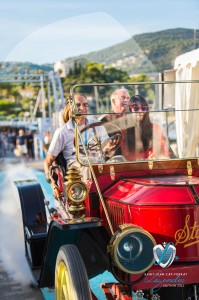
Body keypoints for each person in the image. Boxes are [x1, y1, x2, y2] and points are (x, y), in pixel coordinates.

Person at [44, 93, 109, 182]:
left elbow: (108, 151)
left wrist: (109, 148)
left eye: (85, 105)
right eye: (78, 105)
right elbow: (48, 161)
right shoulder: (62, 132)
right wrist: (53, 184)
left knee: (119, 160)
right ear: (70, 107)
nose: (82, 108)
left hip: (99, 164)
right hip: (77, 169)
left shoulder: (98, 125)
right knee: (89, 168)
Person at [124, 95, 169, 160]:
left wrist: (154, 156)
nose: (140, 111)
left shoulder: (155, 128)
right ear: (130, 110)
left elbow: (162, 151)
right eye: (136, 108)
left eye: (143, 108)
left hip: (152, 165)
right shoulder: (124, 130)